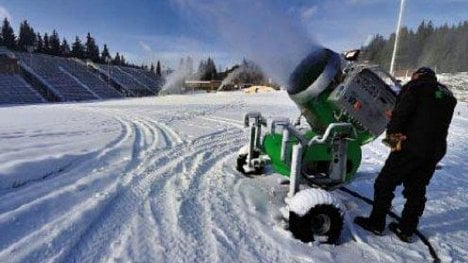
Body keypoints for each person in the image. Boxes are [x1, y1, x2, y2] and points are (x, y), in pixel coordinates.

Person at [354, 67, 457, 242]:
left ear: (418, 76)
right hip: (435, 151)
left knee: (384, 183)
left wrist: (393, 143)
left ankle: (376, 223)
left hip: (411, 146)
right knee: (416, 189)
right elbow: (428, 116)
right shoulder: (448, 96)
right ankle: (406, 229)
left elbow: (400, 116)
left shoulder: (415, 87)